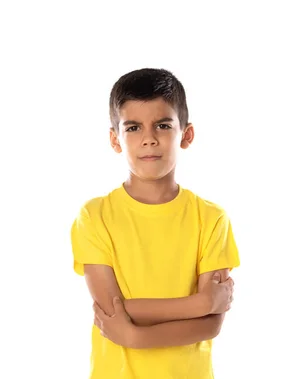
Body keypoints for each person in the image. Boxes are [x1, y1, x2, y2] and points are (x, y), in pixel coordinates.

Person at [70, 68, 240, 379]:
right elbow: (112, 310)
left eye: (162, 125)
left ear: (185, 134)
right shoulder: (94, 216)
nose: (148, 139)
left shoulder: (211, 218)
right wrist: (202, 302)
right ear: (115, 139)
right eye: (133, 128)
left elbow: (211, 324)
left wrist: (135, 336)